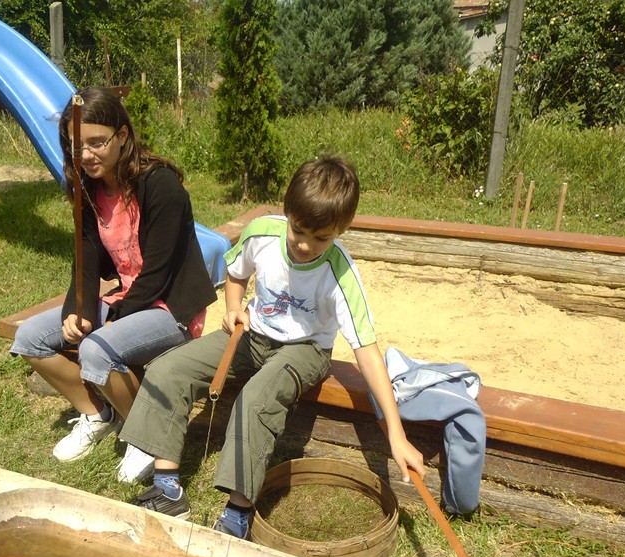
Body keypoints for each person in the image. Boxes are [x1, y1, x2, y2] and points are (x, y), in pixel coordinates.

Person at [118, 155, 426, 537]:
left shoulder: (342, 274)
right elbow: (236, 273)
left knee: (255, 400)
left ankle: (237, 514)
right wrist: (233, 309)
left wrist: (396, 434)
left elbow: (368, 353)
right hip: (253, 334)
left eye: (321, 237)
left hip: (305, 349)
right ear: (287, 211)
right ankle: (167, 488)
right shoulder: (261, 233)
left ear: (341, 229)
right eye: (299, 230)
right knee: (168, 369)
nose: (305, 244)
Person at [10, 88, 216, 482]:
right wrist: (79, 311)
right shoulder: (89, 190)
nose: (87, 155)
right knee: (30, 337)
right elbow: (86, 261)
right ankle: (97, 413)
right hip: (128, 299)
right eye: (77, 147)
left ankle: (146, 434)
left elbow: (158, 272)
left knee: (96, 348)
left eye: (97, 142)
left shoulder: (161, 185)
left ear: (122, 135)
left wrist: (109, 321)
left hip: (171, 307)